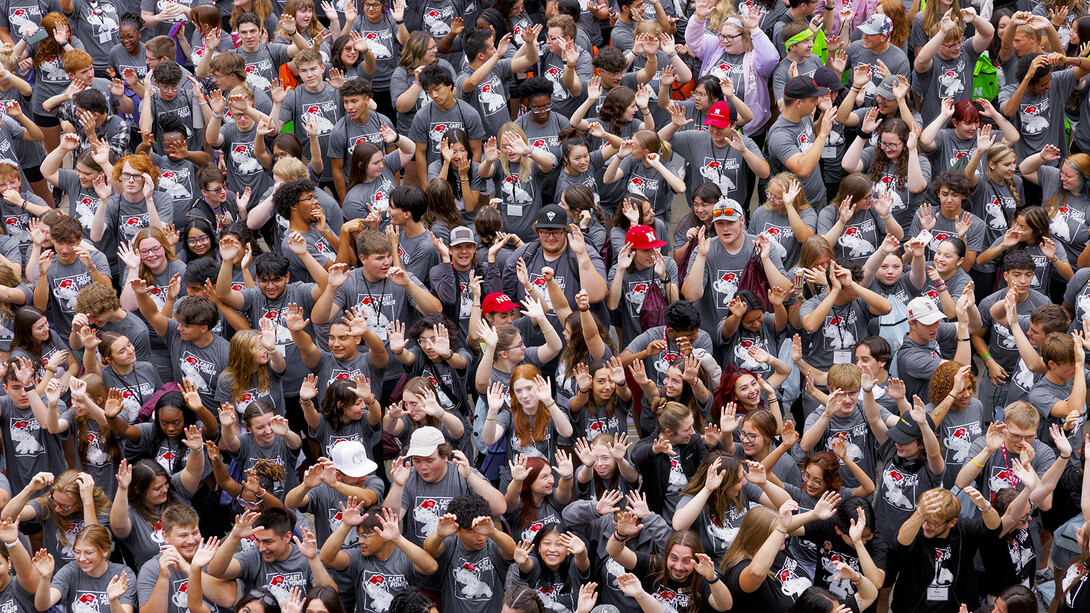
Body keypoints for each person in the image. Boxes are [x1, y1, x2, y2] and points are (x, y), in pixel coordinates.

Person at [892, 487, 1003, 613]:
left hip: (955, 606)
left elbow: (995, 529)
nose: (925, 526)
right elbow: (899, 544)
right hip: (915, 606)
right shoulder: (916, 526)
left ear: (952, 522)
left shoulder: (963, 530)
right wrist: (919, 514)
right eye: (925, 519)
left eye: (933, 523)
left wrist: (985, 506)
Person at [207, 507, 335, 603]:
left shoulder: (307, 555)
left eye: (268, 542)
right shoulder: (254, 555)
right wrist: (234, 536)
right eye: (258, 540)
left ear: (287, 537)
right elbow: (215, 571)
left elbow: (330, 594)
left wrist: (313, 559)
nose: (262, 548)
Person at [422, 492, 516, 613]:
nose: (481, 537)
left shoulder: (494, 545)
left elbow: (511, 550)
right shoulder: (451, 545)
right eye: (472, 532)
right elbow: (429, 548)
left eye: (483, 530)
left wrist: (493, 532)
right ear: (458, 531)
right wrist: (440, 535)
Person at [32, 525, 138, 613]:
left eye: (89, 553)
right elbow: (42, 606)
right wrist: (45, 577)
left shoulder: (122, 574)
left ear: (105, 551)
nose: (82, 559)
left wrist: (113, 600)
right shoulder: (71, 570)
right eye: (77, 552)